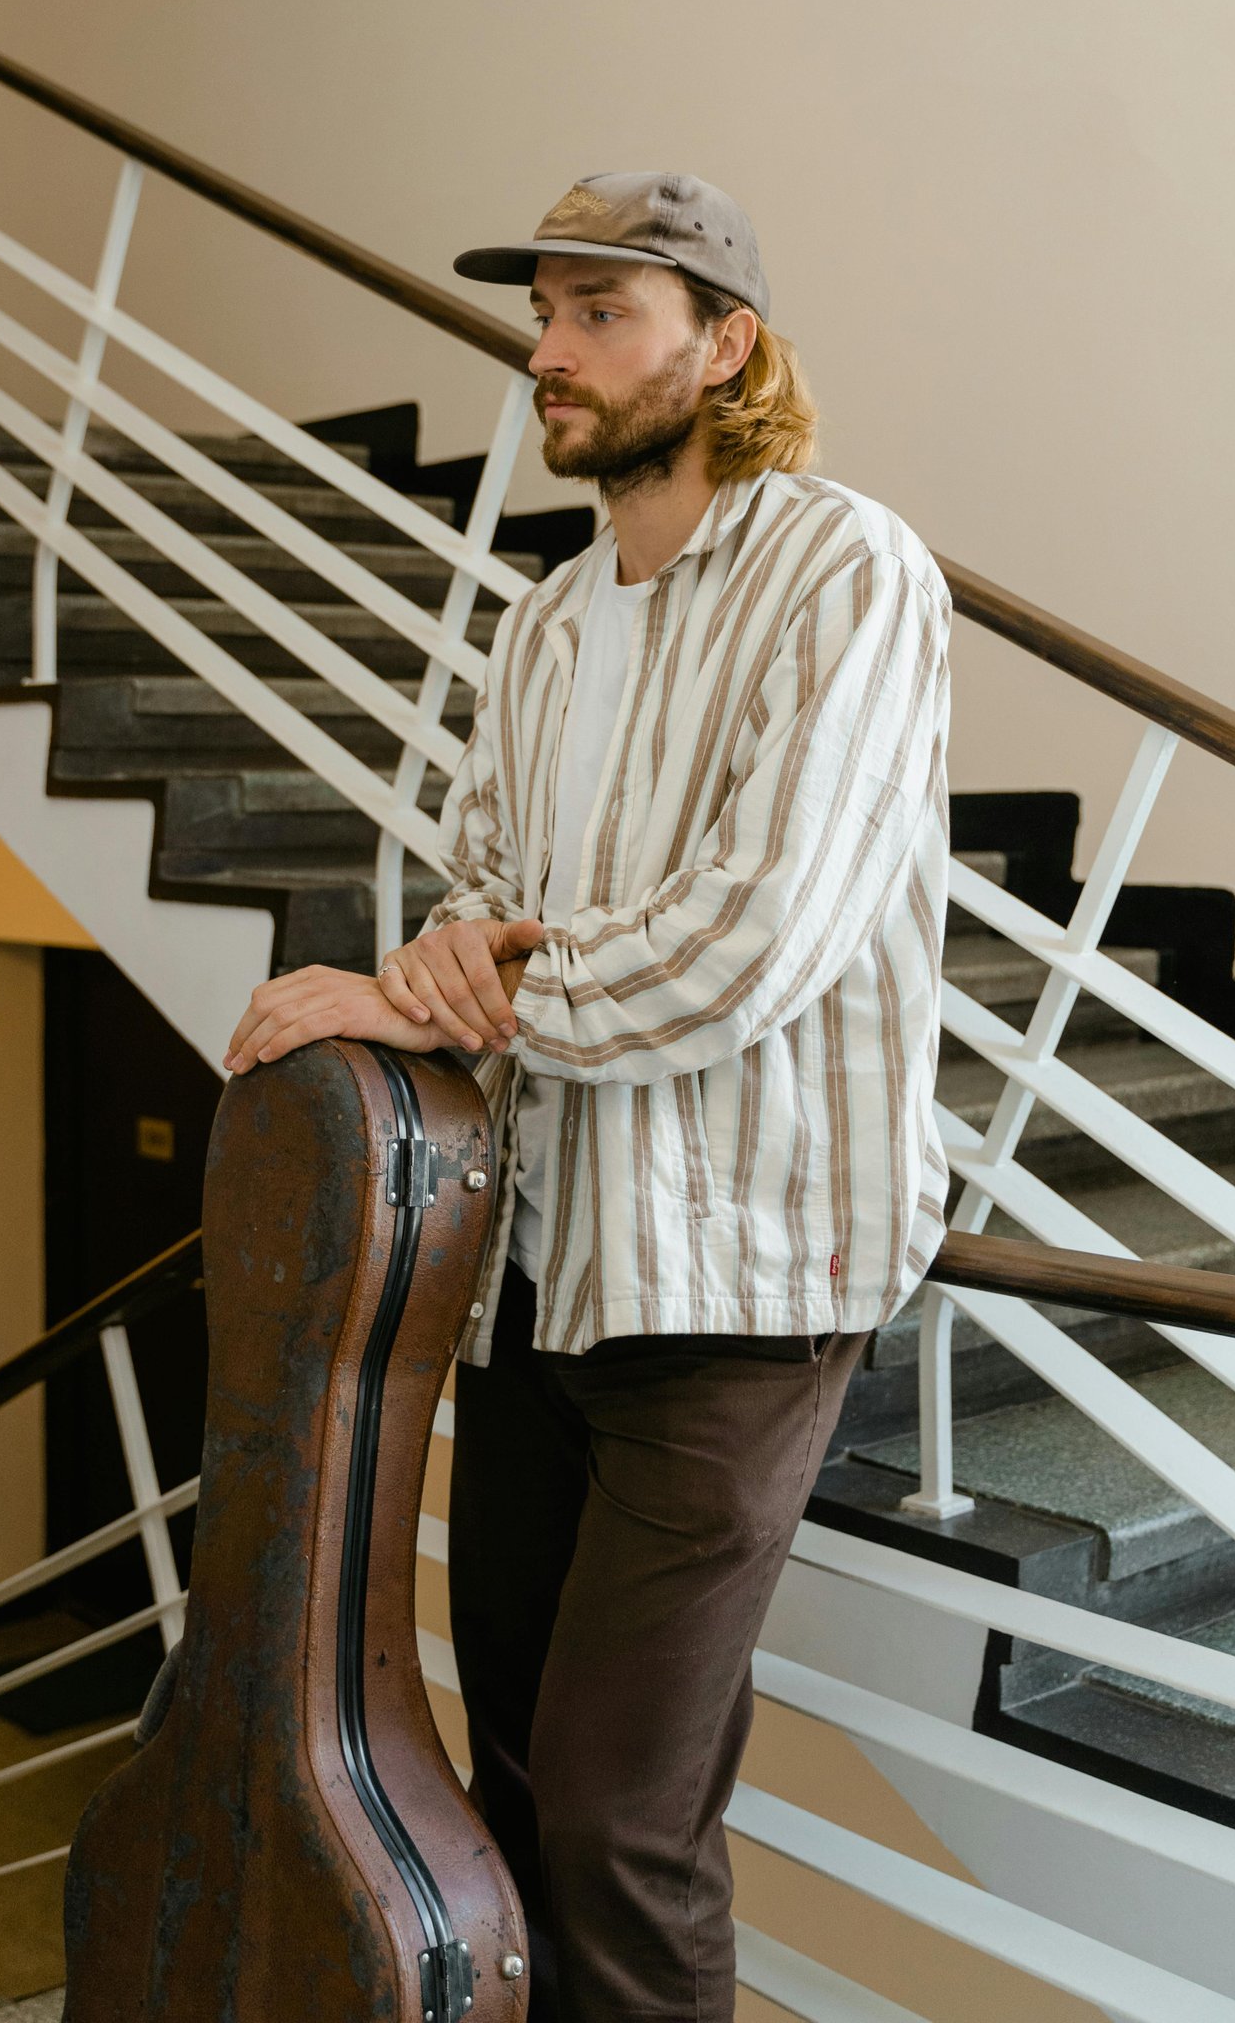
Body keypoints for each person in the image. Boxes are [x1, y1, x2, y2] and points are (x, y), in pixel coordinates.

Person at [224, 172, 951, 2023]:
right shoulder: (546, 623)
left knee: (626, 1827)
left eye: (601, 314)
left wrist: (446, 982)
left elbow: (755, 940)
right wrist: (440, 971)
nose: (548, 352)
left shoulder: (847, 571)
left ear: (727, 345)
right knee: (519, 1792)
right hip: (538, 1281)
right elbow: (478, 898)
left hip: (747, 1292)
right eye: (544, 314)